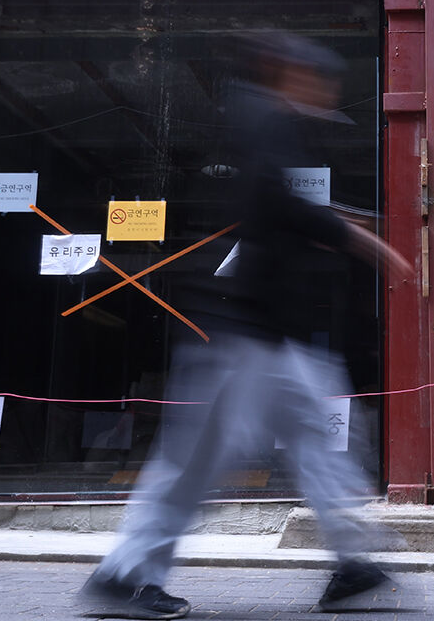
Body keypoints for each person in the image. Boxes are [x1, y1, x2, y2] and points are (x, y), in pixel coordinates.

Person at [78, 32, 413, 620]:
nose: (326, 95)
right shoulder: (263, 118)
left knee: (317, 434)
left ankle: (353, 563)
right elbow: (269, 202)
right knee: (198, 459)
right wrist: (350, 234)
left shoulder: (261, 118)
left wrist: (336, 224)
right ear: (293, 73)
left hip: (267, 330)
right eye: (321, 82)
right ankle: (126, 576)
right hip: (237, 330)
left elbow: (274, 205)